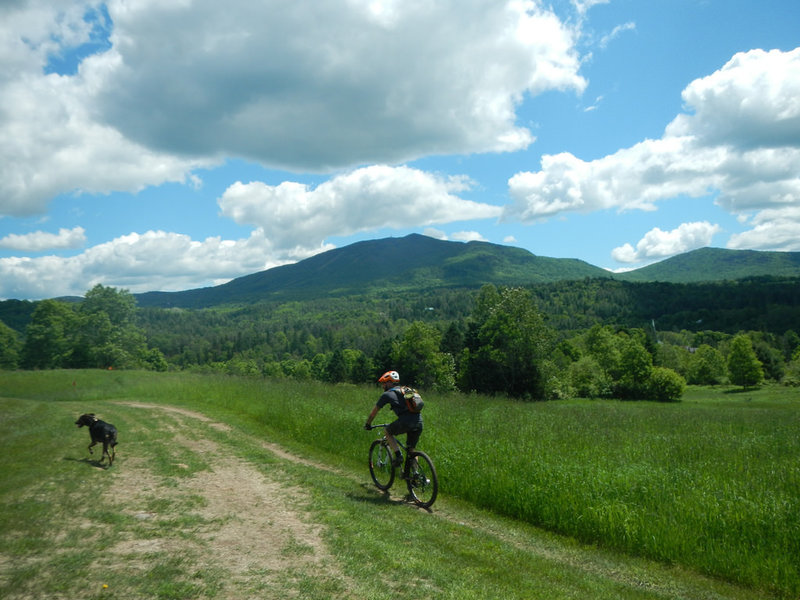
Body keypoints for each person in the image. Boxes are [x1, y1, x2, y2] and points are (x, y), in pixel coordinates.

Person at [364, 370, 423, 477]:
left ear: (390, 382)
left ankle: (398, 455)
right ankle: (415, 475)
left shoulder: (387, 395)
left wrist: (368, 424)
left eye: (384, 383)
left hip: (406, 422)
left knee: (387, 431)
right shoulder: (406, 390)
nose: (383, 386)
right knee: (411, 450)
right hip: (419, 421)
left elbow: (374, 412)